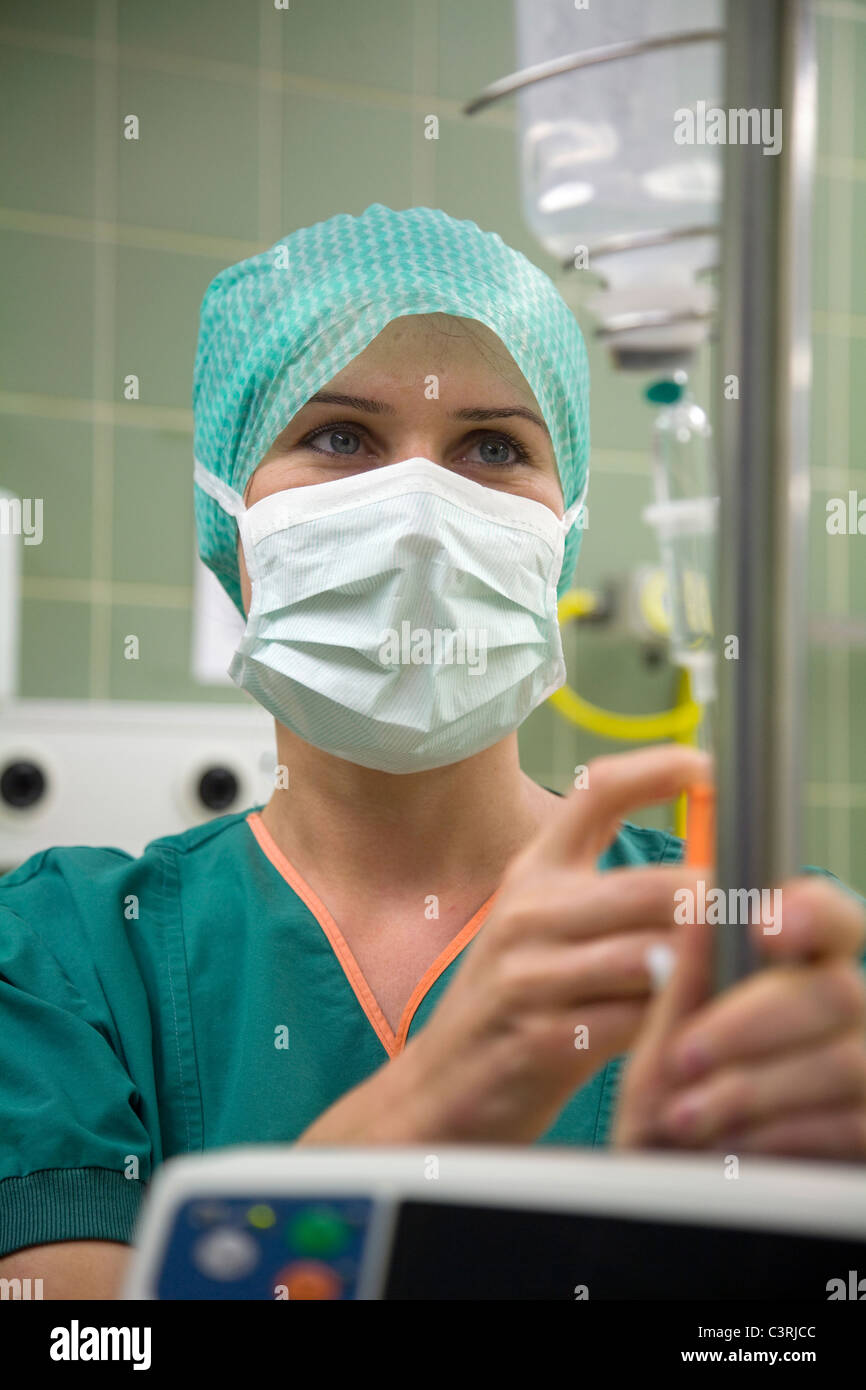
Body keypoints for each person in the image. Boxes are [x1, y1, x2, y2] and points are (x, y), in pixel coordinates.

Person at [1, 205, 864, 1300]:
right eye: (340, 437)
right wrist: (437, 1105)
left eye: (492, 446)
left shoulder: (751, 953)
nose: (419, 509)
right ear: (229, 511)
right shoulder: (64, 960)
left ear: (566, 528)